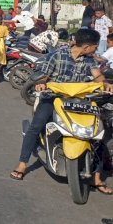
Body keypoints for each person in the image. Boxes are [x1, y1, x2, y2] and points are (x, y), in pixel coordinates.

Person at [9, 29, 111, 189]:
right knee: (35, 127)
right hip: (52, 98)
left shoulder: (89, 60)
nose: (96, 49)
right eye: (95, 46)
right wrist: (41, 83)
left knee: (97, 132)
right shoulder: (57, 55)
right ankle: (22, 164)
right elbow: (43, 75)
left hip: (78, 100)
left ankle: (96, 177)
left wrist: (105, 83)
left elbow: (97, 75)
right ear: (86, 46)